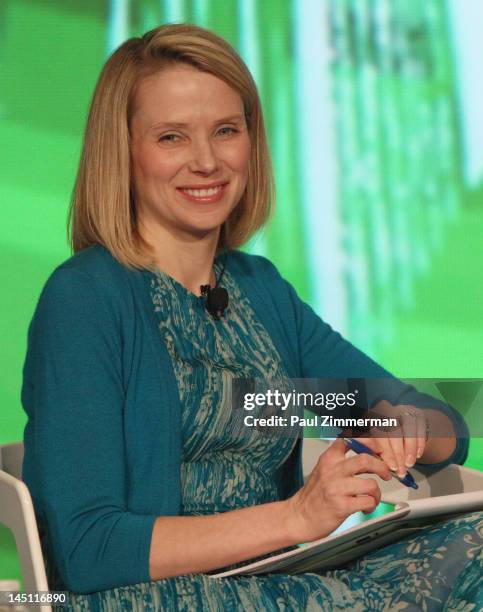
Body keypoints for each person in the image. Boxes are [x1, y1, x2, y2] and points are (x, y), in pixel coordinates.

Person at [21, 23, 482, 611]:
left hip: (283, 577)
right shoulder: (86, 300)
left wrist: (405, 424)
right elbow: (91, 550)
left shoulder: (259, 292)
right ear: (123, 152)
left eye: (226, 131)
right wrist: (298, 516)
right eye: (171, 137)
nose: (207, 161)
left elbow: (444, 427)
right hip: (146, 595)